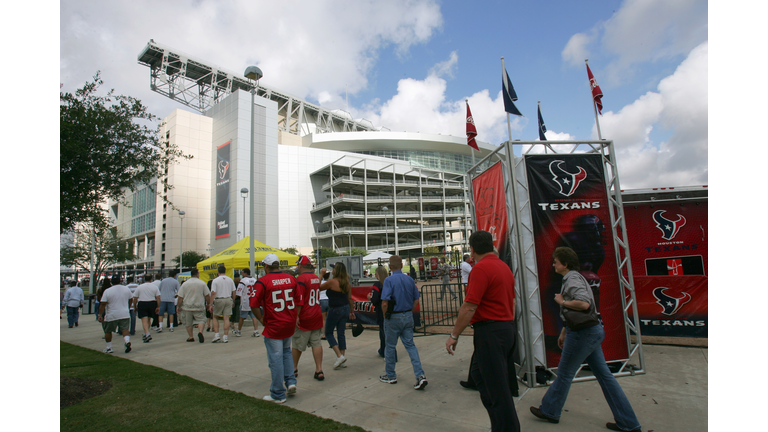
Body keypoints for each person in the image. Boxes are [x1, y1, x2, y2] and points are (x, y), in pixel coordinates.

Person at [530, 247, 642, 432]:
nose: (553, 264)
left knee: (565, 373)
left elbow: (583, 304)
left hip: (583, 334)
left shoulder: (572, 279)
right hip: (590, 332)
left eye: (556, 262)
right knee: (605, 376)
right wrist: (565, 331)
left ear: (565, 264)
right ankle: (628, 422)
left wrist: (562, 302)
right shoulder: (577, 277)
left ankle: (550, 410)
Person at [445, 230, 520, 432]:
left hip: (491, 331)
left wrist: (454, 335)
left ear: (472, 248)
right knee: (482, 377)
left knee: (498, 390)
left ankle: (506, 428)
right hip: (505, 328)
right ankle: (500, 423)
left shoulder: (481, 269)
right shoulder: (503, 267)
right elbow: (512, 302)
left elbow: (469, 306)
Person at [250, 254, 298, 403]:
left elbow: (253, 304)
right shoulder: (291, 278)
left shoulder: (263, 281)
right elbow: (298, 299)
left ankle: (278, 393)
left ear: (266, 266)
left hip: (275, 324)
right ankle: (290, 382)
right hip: (288, 321)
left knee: (276, 358)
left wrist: (261, 319)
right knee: (286, 352)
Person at [380, 255, 427, 390]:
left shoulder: (389, 280)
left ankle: (390, 375)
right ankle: (420, 375)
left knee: (390, 346)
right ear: (401, 265)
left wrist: (385, 316)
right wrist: (408, 311)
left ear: (390, 267)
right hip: (407, 315)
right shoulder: (409, 280)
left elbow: (385, 302)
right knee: (410, 346)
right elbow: (416, 300)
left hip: (393, 316)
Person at [292, 256, 325, 381]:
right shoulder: (315, 278)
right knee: (316, 342)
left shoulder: (300, 279)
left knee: (297, 343)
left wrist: (296, 316)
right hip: (316, 313)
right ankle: (319, 369)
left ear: (300, 266)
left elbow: (299, 300)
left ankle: (294, 369)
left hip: (305, 315)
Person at [322, 262, 356, 370]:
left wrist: (320, 275)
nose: (332, 270)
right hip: (345, 308)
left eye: (333, 269)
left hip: (335, 309)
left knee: (328, 333)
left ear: (336, 271)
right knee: (341, 333)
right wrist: (351, 311)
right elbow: (350, 298)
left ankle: (339, 356)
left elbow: (317, 287)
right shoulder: (347, 283)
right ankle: (343, 356)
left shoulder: (331, 282)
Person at [97, 275, 133, 354]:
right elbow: (131, 299)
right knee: (125, 330)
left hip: (112, 314)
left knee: (108, 331)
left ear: (111, 282)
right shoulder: (126, 289)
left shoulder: (108, 291)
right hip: (124, 313)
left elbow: (103, 303)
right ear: (120, 281)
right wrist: (127, 307)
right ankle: (127, 341)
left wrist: (99, 314)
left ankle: (109, 347)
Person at [367, 265, 395, 362]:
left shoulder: (377, 285)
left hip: (381, 311)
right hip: (392, 310)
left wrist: (370, 298)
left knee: (384, 333)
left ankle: (389, 354)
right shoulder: (390, 283)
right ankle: (383, 350)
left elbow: (375, 299)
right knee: (388, 333)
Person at [177, 268, 211, 343]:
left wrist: (178, 306)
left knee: (188, 322)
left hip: (187, 306)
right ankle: (200, 332)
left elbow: (180, 297)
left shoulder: (185, 284)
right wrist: (209, 304)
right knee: (201, 320)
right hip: (199, 306)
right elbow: (207, 295)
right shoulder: (202, 283)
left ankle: (191, 336)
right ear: (197, 274)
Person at [209, 265, 236, 343]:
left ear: (218, 272)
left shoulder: (215, 280)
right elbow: (234, 291)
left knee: (215, 317)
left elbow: (213, 293)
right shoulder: (230, 280)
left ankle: (217, 334)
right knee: (226, 318)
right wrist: (233, 301)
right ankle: (225, 336)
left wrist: (210, 304)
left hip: (219, 299)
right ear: (225, 271)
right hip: (228, 299)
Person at [133, 273, 161, 343]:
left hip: (142, 303)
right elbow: (158, 298)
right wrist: (158, 306)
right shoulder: (154, 287)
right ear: (151, 279)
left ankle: (147, 334)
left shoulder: (140, 287)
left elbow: (135, 298)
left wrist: (135, 306)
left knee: (144, 320)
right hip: (152, 303)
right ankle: (146, 332)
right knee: (148, 319)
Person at [234, 268, 260, 337]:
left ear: (245, 273)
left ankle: (239, 331)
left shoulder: (243, 281)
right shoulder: (255, 280)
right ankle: (256, 331)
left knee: (242, 317)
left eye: (242, 272)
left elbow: (239, 292)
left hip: (245, 301)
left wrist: (234, 299)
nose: (241, 274)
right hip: (253, 300)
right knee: (254, 317)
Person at [319, 270, 330, 340]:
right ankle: (329, 333)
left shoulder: (320, 283)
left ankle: (324, 334)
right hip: (329, 300)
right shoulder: (330, 283)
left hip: (321, 300)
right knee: (329, 318)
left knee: (323, 319)